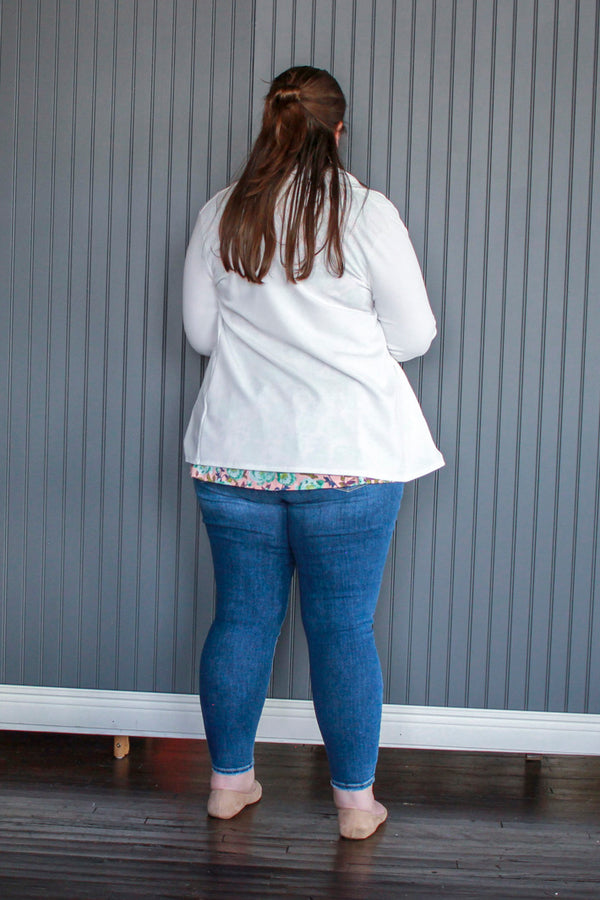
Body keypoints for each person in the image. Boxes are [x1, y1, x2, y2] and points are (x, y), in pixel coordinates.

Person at [182, 65, 444, 840]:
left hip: (236, 456)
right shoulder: (366, 214)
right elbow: (415, 336)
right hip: (348, 458)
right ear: (339, 130)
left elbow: (201, 334)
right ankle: (356, 806)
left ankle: (229, 785)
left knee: (240, 621)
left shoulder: (222, 211)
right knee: (343, 629)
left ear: (271, 125)